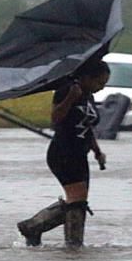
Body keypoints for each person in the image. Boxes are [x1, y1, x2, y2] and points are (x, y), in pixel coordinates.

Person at [17, 59, 110, 247]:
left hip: (80, 153)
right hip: (63, 151)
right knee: (77, 200)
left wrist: (97, 151)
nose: (101, 87)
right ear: (86, 77)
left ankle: (34, 227)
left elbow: (88, 126)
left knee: (78, 201)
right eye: (99, 82)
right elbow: (55, 118)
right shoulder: (66, 89)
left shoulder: (88, 96)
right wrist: (70, 99)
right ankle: (73, 245)